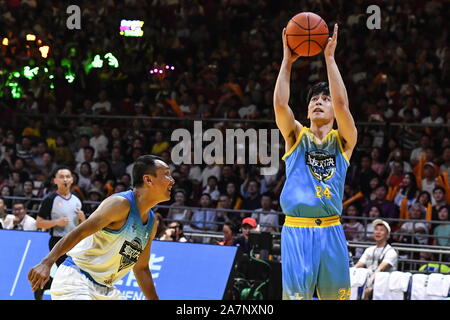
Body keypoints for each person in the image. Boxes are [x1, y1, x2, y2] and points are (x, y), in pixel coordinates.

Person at [274, 24, 357, 300]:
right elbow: (280, 106)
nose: (318, 102)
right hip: (298, 230)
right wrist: (287, 61)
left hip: (332, 230)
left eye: (325, 99)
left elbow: (343, 104)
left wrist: (330, 59)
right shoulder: (297, 135)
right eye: (313, 99)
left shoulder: (344, 140)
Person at [28, 155, 174, 300]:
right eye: (167, 174)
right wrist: (46, 263)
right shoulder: (120, 204)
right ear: (148, 179)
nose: (172, 180)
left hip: (106, 289)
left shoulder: (151, 223)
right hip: (76, 279)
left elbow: (141, 268)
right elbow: (79, 232)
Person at [33, 167, 86, 299]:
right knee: (68, 273)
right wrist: (56, 222)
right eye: (61, 177)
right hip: (58, 241)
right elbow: (38, 223)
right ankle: (47, 286)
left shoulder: (77, 199)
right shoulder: (50, 199)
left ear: (72, 180)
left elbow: (84, 225)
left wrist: (83, 218)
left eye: (68, 176)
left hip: (76, 242)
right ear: (55, 180)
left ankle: (46, 285)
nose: (65, 179)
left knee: (71, 275)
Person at [354, 219, 398, 300]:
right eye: (376, 229)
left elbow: (380, 269)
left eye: (381, 230)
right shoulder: (369, 250)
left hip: (384, 286)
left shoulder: (391, 252)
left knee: (366, 292)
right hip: (369, 283)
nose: (378, 232)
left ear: (387, 235)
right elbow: (359, 264)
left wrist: (368, 285)